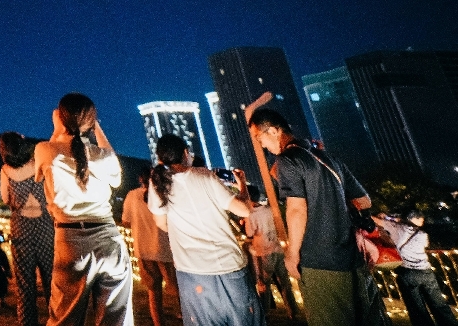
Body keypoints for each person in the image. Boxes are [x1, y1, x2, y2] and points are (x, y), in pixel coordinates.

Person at [249, 107, 378, 326]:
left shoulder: (288, 160)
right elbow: (364, 201)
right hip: (353, 258)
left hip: (320, 261)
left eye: (259, 138)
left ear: (273, 131)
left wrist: (292, 254)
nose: (261, 145)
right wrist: (332, 204)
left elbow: (296, 210)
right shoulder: (328, 158)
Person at [33, 93, 133, 326]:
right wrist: (96, 128)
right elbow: (116, 176)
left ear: (60, 117)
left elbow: (43, 169)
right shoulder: (102, 156)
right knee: (116, 320)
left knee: (64, 319)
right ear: (91, 122)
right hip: (109, 238)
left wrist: (59, 128)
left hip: (71, 240)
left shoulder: (45, 150)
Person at [147, 134, 260, 326]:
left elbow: (161, 223)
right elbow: (245, 210)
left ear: (160, 159)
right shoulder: (204, 175)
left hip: (191, 272)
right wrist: (242, 185)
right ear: (185, 153)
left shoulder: (158, 183)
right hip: (228, 266)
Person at [1, 131, 55, 326]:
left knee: (24, 284)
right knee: (51, 280)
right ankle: (57, 319)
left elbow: (5, 199)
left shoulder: (5, 171)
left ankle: (27, 322)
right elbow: (51, 193)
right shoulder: (38, 164)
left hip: (21, 229)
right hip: (45, 227)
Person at [374, 211, 458, 326]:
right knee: (439, 304)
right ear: (415, 220)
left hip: (407, 272)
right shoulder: (423, 234)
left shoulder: (396, 228)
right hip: (426, 271)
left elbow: (377, 221)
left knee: (416, 307)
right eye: (421, 220)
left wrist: (385, 219)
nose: (422, 222)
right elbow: (425, 245)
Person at [121, 168, 180, 326]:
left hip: (143, 249)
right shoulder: (164, 194)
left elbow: (125, 221)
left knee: (153, 291)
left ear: (140, 179)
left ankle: (158, 322)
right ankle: (187, 315)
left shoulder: (132, 195)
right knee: (177, 288)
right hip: (165, 249)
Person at [243, 186, 297, 320]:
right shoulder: (269, 209)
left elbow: (250, 233)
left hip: (263, 252)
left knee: (263, 283)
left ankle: (265, 312)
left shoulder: (250, 214)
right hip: (278, 249)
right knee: (284, 281)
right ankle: (292, 311)